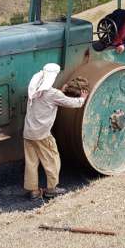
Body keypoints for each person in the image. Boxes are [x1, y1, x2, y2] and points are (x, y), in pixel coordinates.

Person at [23, 63, 87, 200]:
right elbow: (73, 103)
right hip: (42, 134)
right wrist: (82, 98)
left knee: (31, 162)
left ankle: (33, 191)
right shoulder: (53, 94)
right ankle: (51, 188)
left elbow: (48, 98)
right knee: (52, 159)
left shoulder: (34, 88)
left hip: (28, 133)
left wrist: (61, 91)